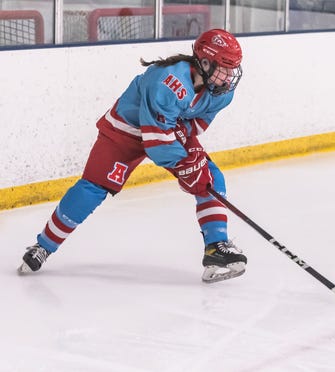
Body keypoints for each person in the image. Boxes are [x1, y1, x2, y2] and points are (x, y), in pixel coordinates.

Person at [18, 29, 247, 283]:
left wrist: (191, 158)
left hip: (166, 129)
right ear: (204, 62)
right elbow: (156, 144)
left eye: (232, 69)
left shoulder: (222, 92)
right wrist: (185, 165)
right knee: (91, 188)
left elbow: (197, 125)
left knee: (210, 177)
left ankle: (216, 248)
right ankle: (43, 247)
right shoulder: (168, 80)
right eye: (224, 68)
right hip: (125, 131)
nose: (228, 77)